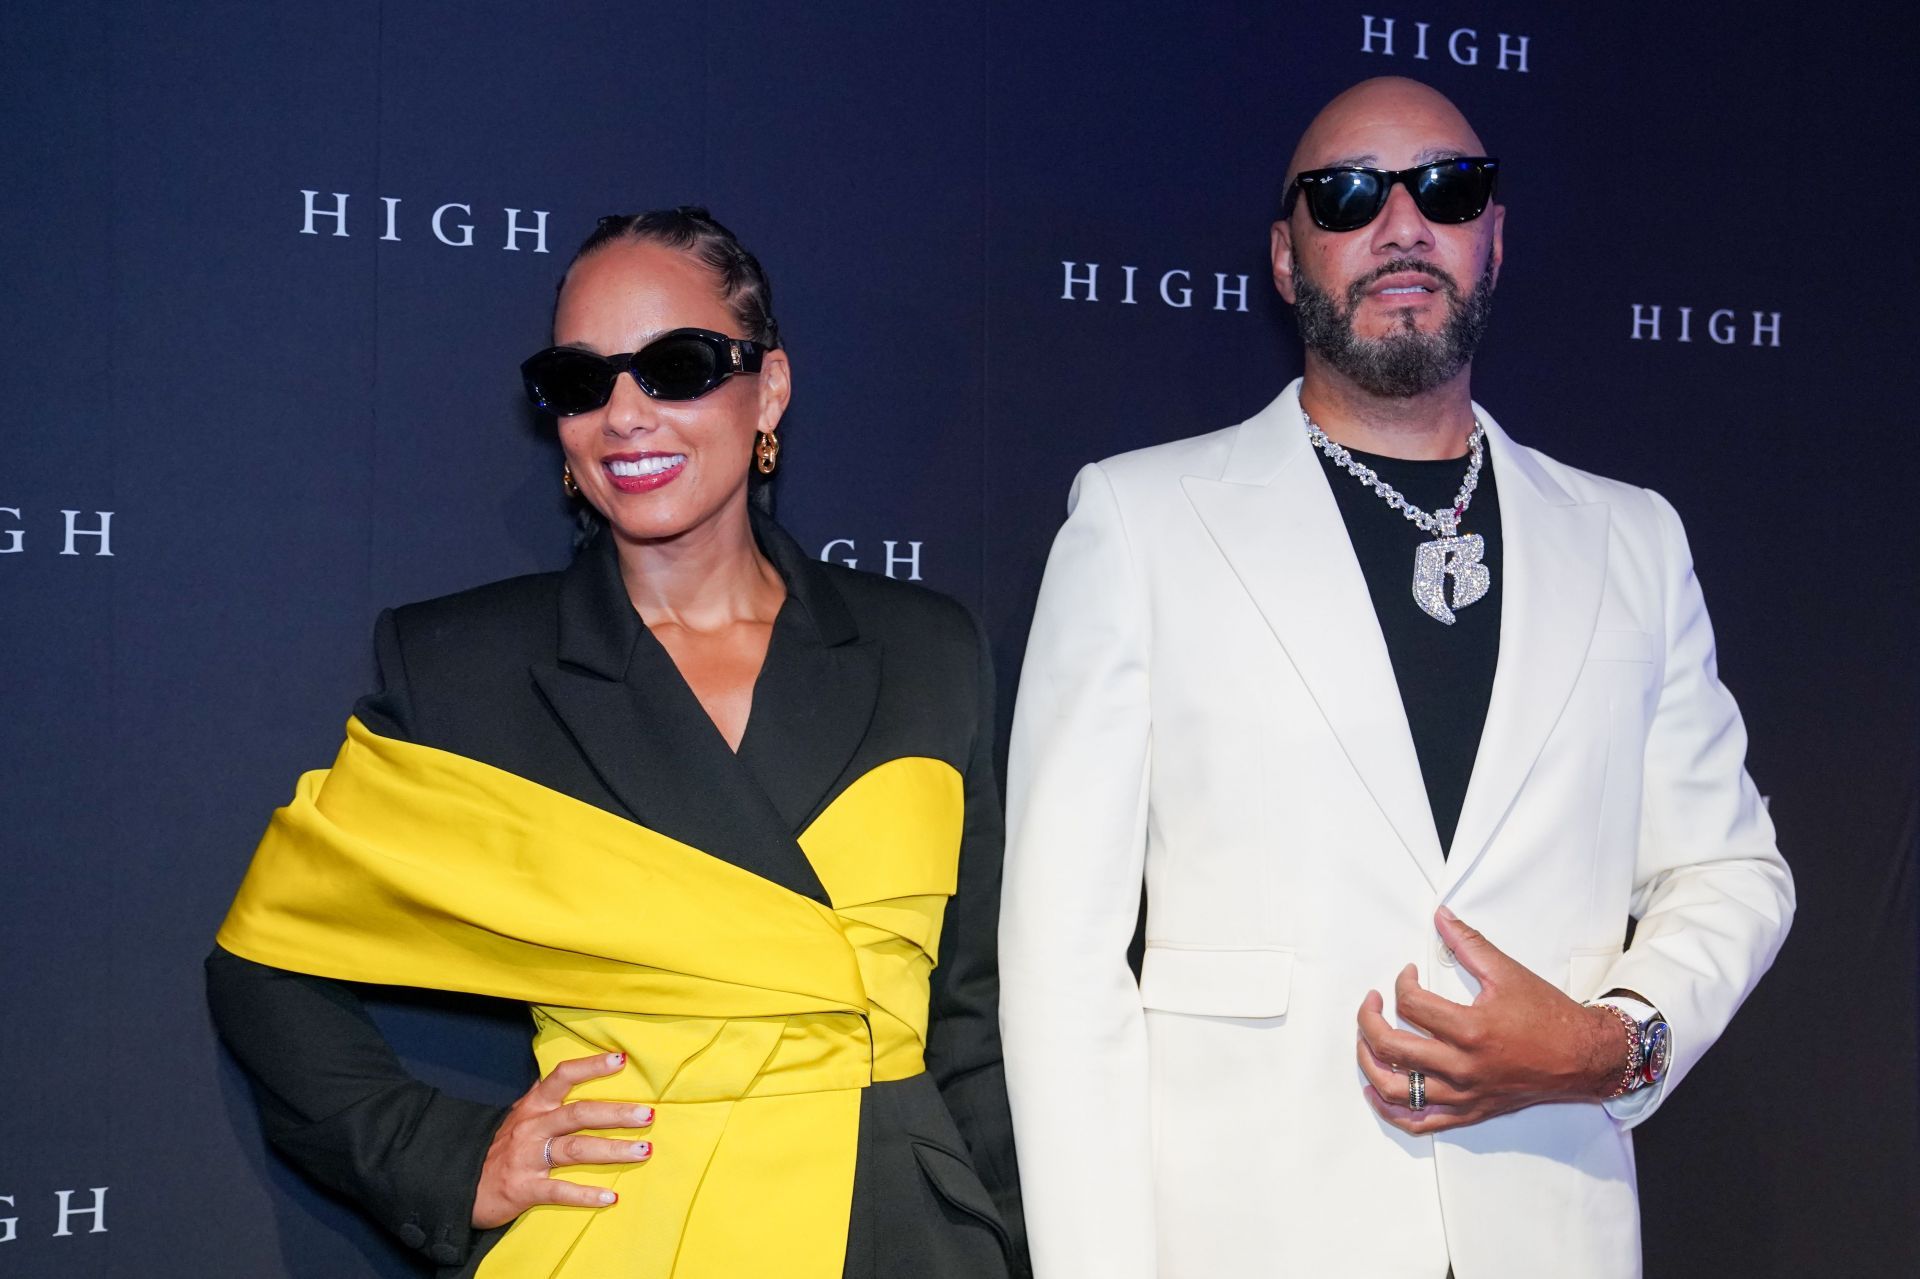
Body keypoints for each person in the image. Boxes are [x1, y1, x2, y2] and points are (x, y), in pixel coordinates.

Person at [998, 77, 1792, 1279]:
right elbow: (1061, 967)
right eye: (1349, 195)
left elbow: (1730, 867)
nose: (1403, 223)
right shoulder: (1137, 522)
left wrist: (1609, 1043)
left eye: (1449, 188)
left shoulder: (1633, 539)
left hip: (1548, 1232)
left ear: (1495, 238)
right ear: (1285, 254)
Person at [208, 207, 1026, 1279]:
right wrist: (449, 1158)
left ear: (768, 386)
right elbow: (265, 959)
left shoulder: (927, 649)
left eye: (677, 367)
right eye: (579, 381)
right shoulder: (466, 664)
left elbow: (974, 1020)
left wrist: (1012, 1238)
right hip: (625, 1233)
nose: (625, 415)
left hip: (906, 1236)